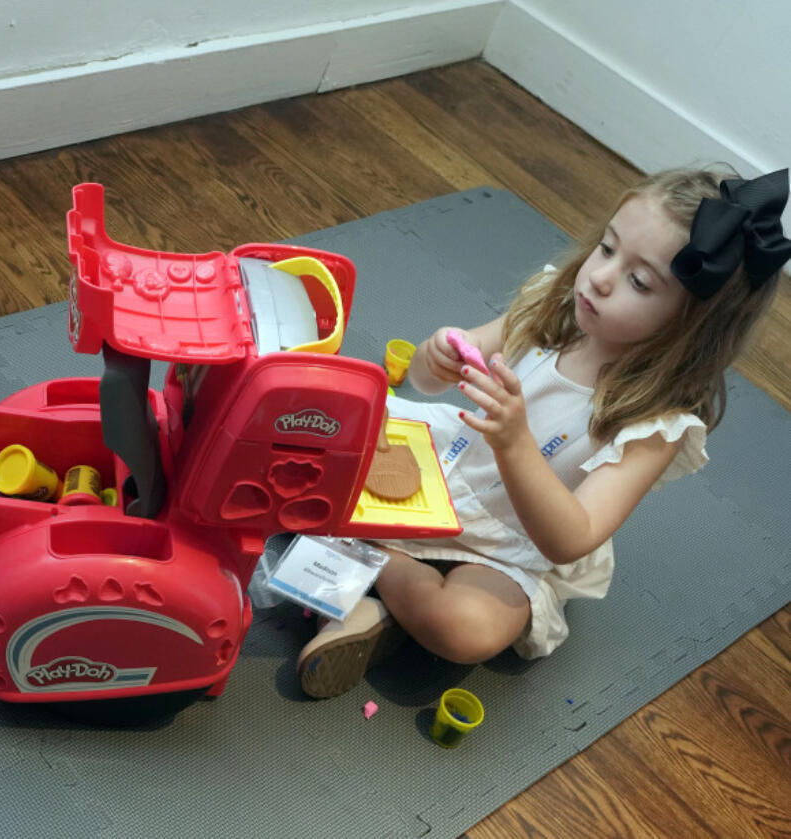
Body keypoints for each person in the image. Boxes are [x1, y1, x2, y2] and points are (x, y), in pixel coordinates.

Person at [297, 167, 791, 699]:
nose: (600, 277)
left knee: (467, 629)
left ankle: (363, 565)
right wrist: (436, 354)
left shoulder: (657, 426)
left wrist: (515, 444)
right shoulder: (549, 308)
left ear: (694, 322)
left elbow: (570, 537)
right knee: (317, 432)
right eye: (607, 248)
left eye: (640, 281)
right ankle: (375, 601)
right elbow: (423, 381)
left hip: (518, 540)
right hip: (452, 464)